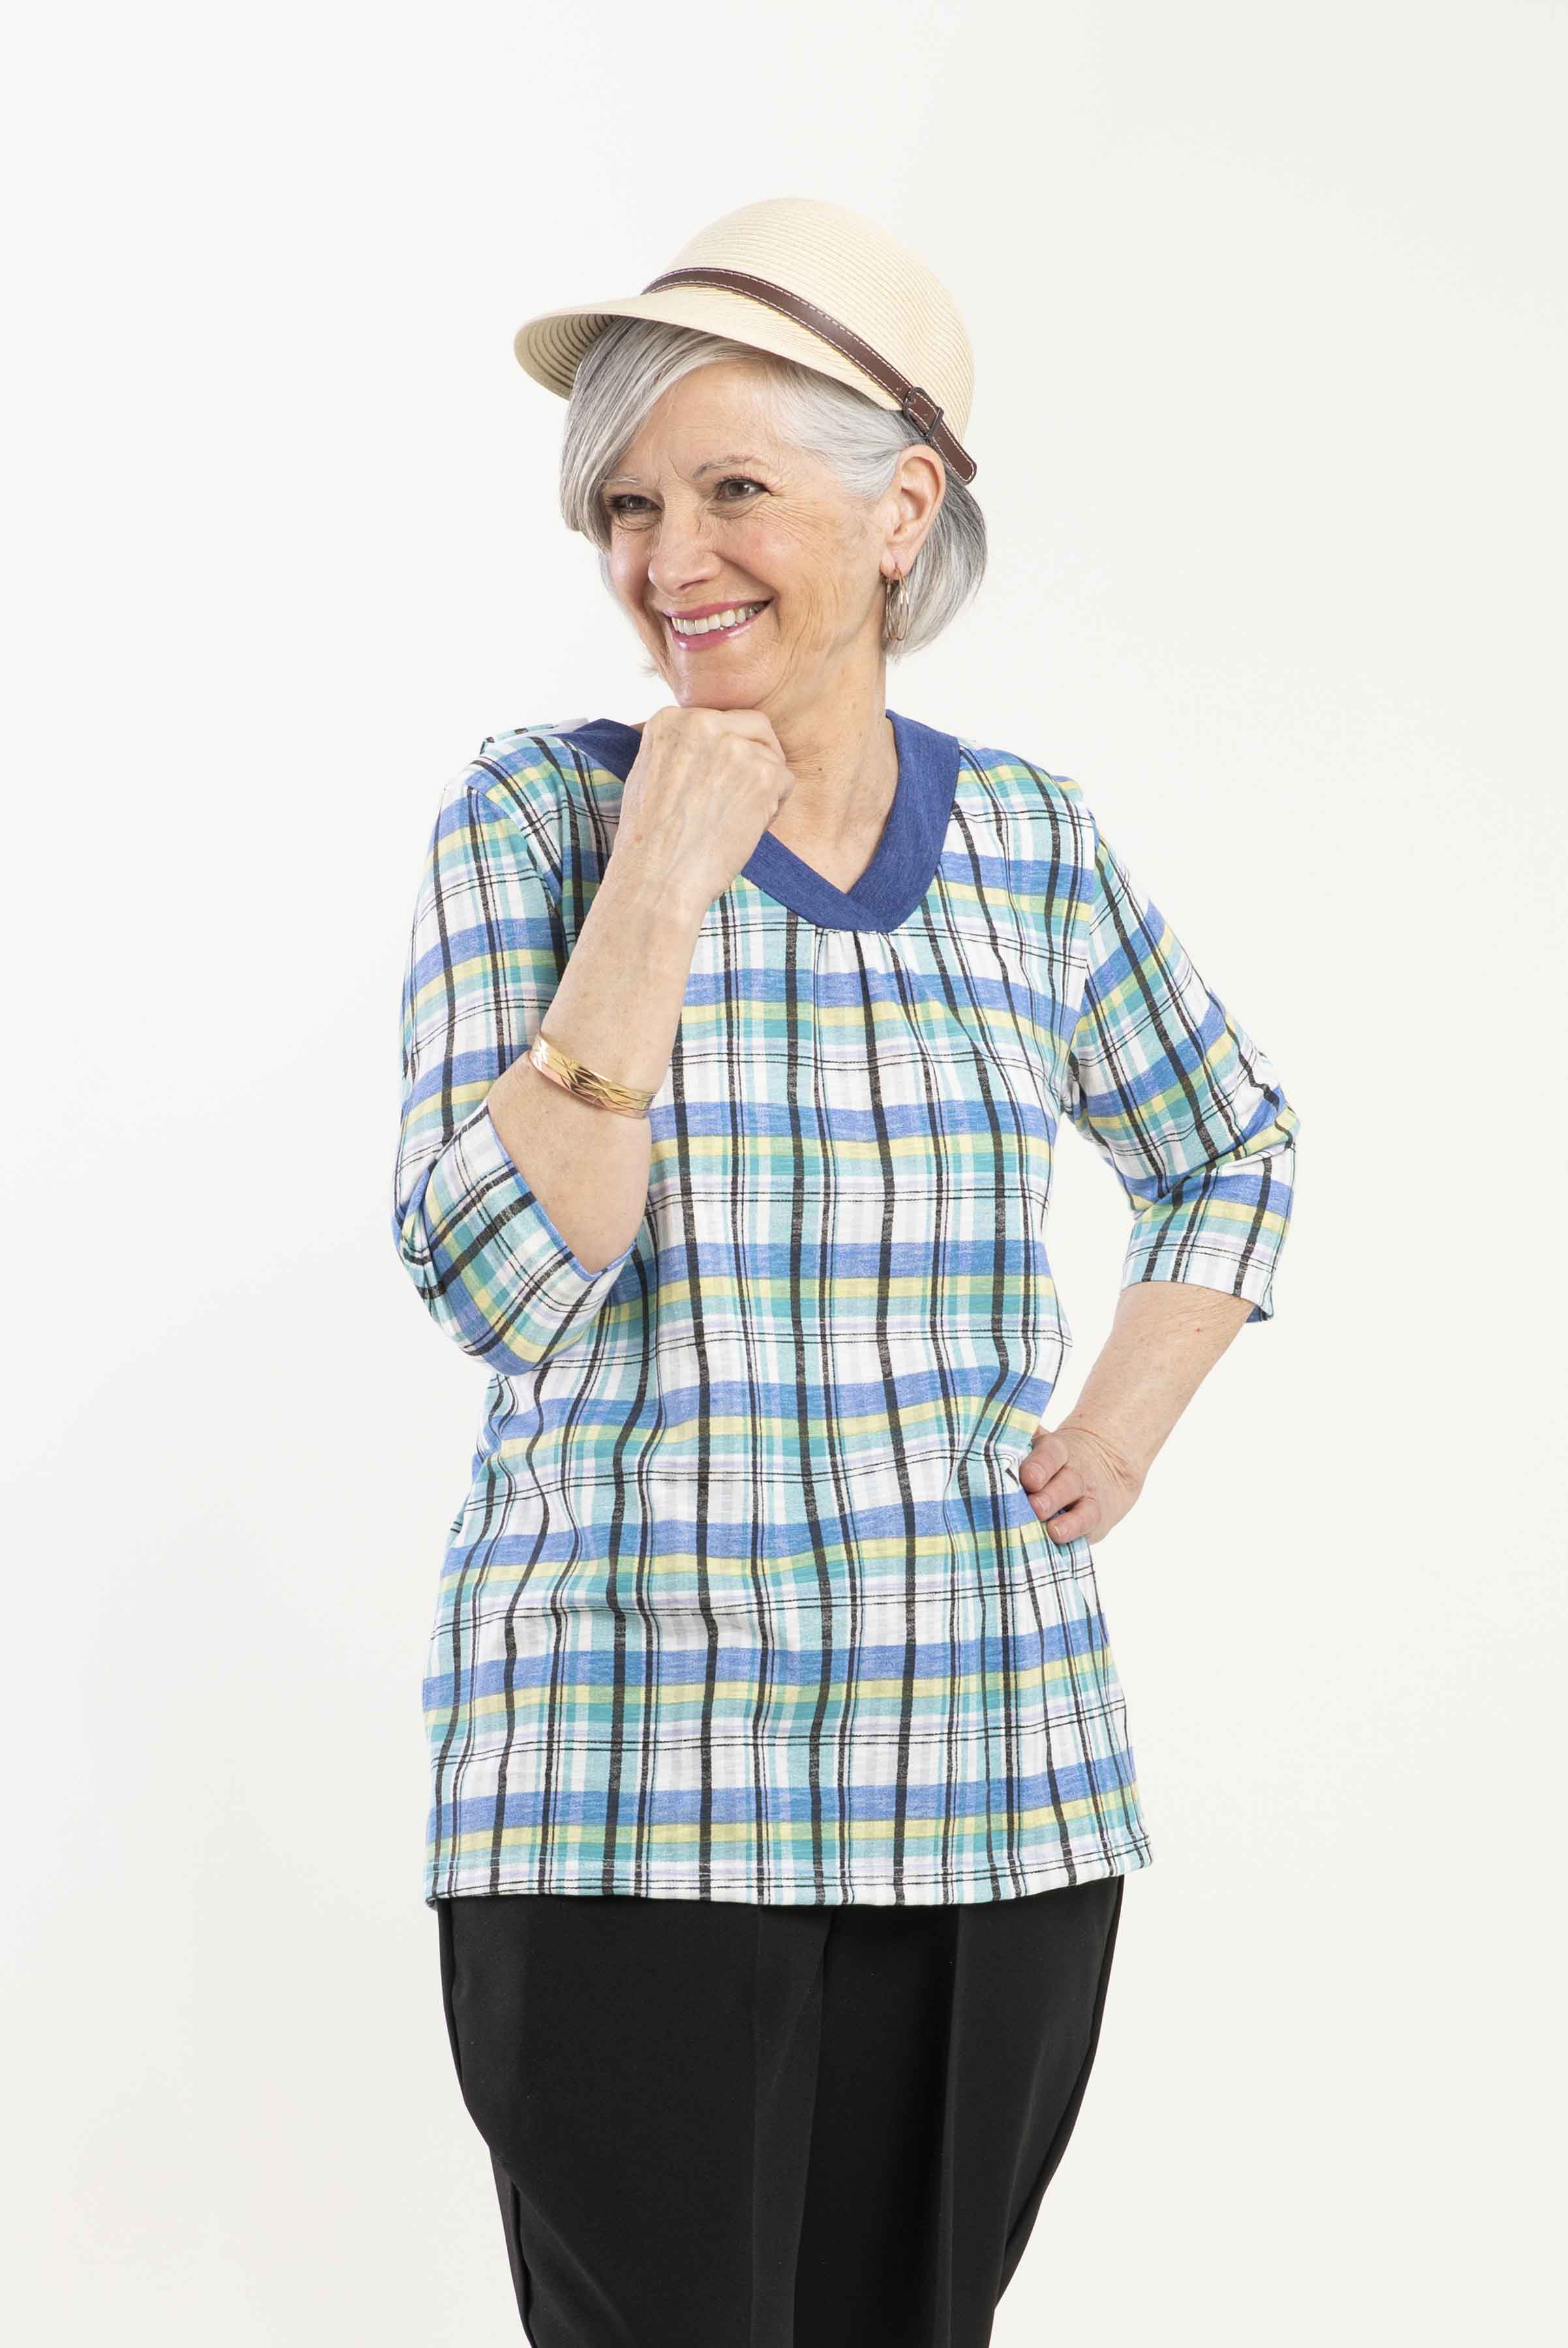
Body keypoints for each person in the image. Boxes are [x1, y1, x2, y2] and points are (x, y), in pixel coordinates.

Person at [391, 195, 1301, 2348]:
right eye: (627, 504)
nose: (666, 559)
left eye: (731, 491)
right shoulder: (536, 816)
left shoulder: (1029, 846)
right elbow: (499, 1283)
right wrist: (657, 883)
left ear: (899, 513)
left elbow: (1227, 1147)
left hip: (986, 1774)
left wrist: (1118, 1429)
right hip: (621, 1777)